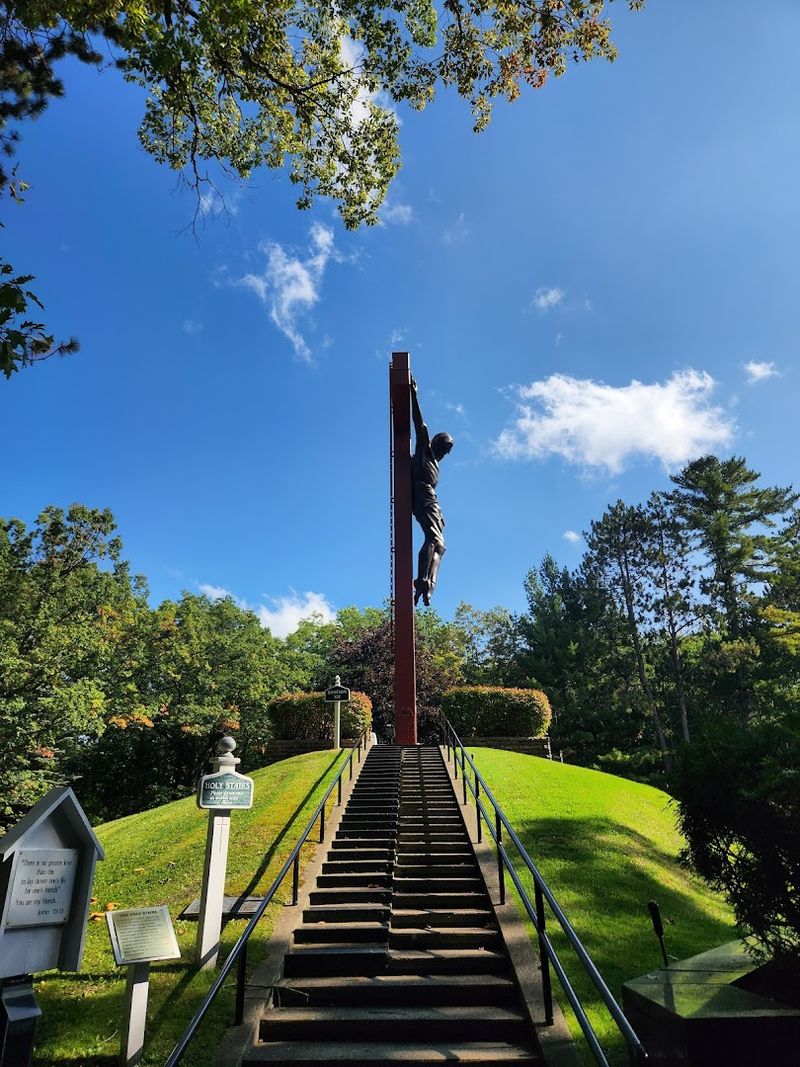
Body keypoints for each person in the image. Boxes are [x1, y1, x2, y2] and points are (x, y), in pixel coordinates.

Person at [410, 377, 454, 606]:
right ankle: (422, 580)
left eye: (447, 452)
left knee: (441, 545)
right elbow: (419, 423)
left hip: (432, 503)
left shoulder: (435, 464)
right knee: (432, 538)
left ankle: (430, 583)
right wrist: (413, 394)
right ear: (436, 443)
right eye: (444, 448)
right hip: (423, 500)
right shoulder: (425, 451)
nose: (444, 454)